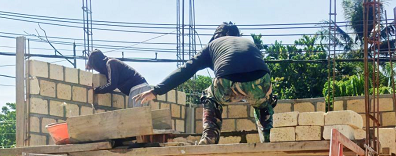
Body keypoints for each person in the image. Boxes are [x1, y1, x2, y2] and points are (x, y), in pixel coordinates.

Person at [134, 22, 277, 144]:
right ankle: (268, 137)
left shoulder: (212, 45)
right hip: (262, 80)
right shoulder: (248, 43)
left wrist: (156, 91)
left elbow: (186, 70)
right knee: (264, 104)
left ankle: (210, 136)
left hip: (227, 82)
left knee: (209, 95)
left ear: (216, 36)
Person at [86, 49, 151, 108]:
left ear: (97, 63)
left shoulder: (110, 63)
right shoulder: (107, 67)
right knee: (135, 116)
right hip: (138, 89)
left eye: (94, 67)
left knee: (137, 117)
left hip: (139, 88)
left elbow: (112, 85)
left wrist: (96, 90)